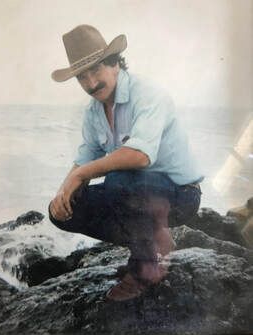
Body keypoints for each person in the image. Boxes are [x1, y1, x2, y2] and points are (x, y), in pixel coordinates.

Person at [49, 24, 203, 301]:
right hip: (138, 195)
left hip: (181, 195)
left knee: (118, 180)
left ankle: (146, 269)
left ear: (115, 64)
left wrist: (81, 174)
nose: (90, 83)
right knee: (63, 210)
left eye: (96, 70)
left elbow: (139, 156)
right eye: (82, 77)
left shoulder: (148, 93)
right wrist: (64, 192)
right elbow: (84, 158)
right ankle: (151, 242)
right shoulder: (94, 112)